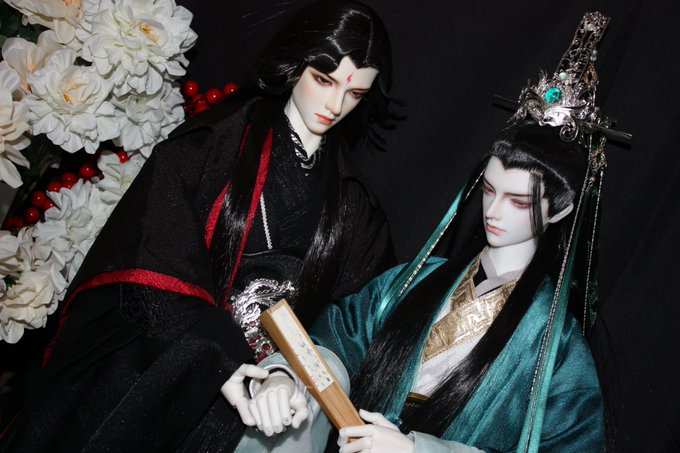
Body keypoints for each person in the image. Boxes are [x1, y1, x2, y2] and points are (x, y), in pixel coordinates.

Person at [0, 1, 394, 451]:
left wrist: (288, 373)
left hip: (269, 398)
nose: (335, 105)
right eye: (323, 80)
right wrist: (219, 355)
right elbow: (148, 260)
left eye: (355, 93)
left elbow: (352, 315)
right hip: (168, 365)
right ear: (295, 64)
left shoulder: (354, 204)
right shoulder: (209, 147)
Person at [236, 12, 621, 453]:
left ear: (562, 209)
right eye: (489, 190)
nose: (494, 211)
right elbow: (335, 339)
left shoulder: (560, 351)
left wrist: (420, 450)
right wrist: (288, 377)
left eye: (518, 201)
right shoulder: (414, 281)